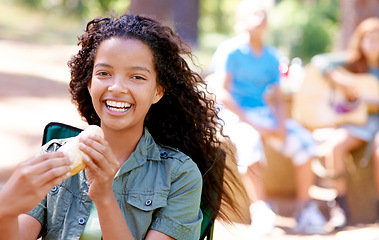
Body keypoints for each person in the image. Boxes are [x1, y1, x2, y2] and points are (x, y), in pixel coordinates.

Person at [0, 13, 239, 240]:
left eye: (137, 77)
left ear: (158, 91)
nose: (116, 87)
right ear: (90, 83)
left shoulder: (180, 176)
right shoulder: (54, 156)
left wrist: (104, 195)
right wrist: (6, 210)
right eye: (104, 73)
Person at [209, 0, 326, 236]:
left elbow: (279, 97)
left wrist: (281, 124)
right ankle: (261, 210)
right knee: (250, 141)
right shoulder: (229, 51)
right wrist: (254, 124)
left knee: (305, 142)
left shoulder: (272, 57)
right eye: (255, 14)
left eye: (264, 14)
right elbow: (222, 93)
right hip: (235, 115)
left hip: (265, 114)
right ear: (242, 20)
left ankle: (305, 209)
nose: (260, 18)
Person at [317, 17, 379, 225]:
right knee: (334, 146)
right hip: (356, 122)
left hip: (376, 123)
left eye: (377, 39)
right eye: (368, 39)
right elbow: (320, 61)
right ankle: (339, 208)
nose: (372, 44)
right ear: (360, 41)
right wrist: (340, 80)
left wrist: (369, 100)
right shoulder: (351, 64)